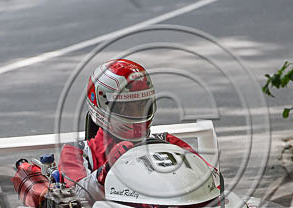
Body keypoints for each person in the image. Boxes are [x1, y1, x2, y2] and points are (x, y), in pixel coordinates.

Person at [58, 58, 198, 200]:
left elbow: (207, 179)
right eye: (126, 107)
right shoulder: (77, 152)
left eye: (141, 105)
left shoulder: (168, 142)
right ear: (102, 105)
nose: (137, 114)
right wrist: (106, 171)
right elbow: (77, 197)